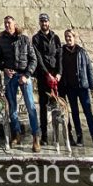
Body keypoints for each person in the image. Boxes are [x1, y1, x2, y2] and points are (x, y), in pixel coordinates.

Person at [0, 15, 41, 152]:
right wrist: (4, 69)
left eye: (9, 23)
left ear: (14, 24)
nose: (7, 25)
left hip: (24, 75)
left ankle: (36, 136)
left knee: (30, 106)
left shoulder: (24, 39)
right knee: (12, 107)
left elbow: (33, 60)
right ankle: (16, 133)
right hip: (10, 76)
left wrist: (27, 75)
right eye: (5, 23)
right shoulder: (1, 40)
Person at [58, 29, 93, 148]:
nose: (68, 38)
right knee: (75, 113)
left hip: (82, 86)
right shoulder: (62, 52)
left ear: (74, 37)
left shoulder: (81, 52)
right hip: (70, 87)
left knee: (88, 112)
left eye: (70, 36)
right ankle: (79, 136)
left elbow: (89, 69)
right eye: (66, 36)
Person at [31, 13, 62, 146]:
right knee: (44, 106)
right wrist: (47, 73)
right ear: (40, 23)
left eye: (46, 21)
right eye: (42, 21)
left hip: (56, 75)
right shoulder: (36, 38)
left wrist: (59, 73)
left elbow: (59, 56)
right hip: (44, 76)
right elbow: (38, 57)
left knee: (58, 105)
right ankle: (44, 135)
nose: (44, 24)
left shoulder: (56, 38)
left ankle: (58, 135)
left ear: (49, 22)